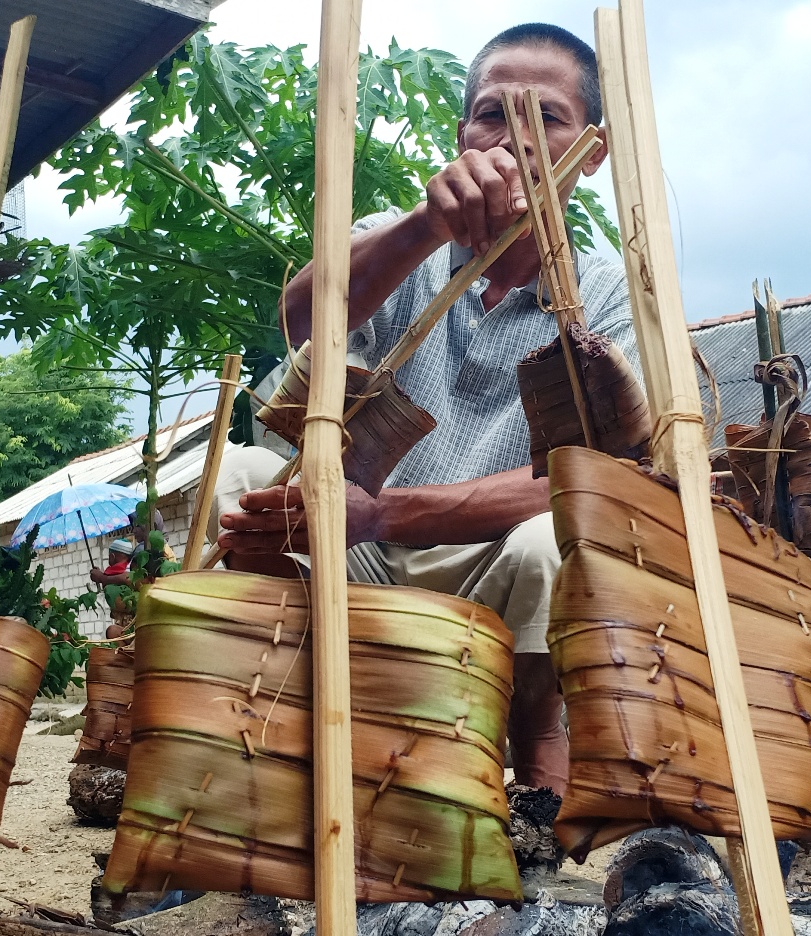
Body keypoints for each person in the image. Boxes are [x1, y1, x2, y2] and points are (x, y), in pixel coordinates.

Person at [210, 23, 637, 795]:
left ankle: (535, 748)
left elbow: (589, 481)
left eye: (547, 117)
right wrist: (425, 226)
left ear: (592, 151)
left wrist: (378, 514)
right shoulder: (398, 238)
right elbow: (302, 322)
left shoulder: (609, 298)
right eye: (492, 114)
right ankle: (277, 711)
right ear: (462, 134)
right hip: (351, 554)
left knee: (558, 536)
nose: (515, 139)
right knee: (240, 475)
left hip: (491, 563)